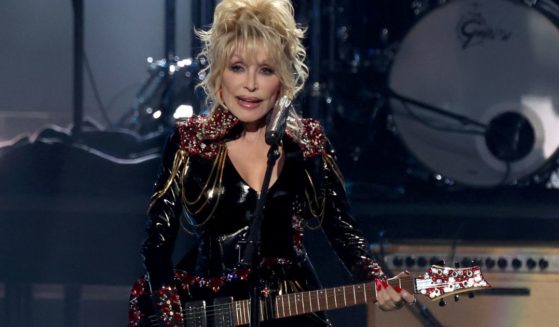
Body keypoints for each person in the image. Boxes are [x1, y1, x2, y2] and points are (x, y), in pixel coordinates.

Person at [130, 0, 415, 326]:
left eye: (265, 70)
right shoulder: (191, 141)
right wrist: (167, 306)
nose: (250, 84)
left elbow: (343, 231)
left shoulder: (308, 142)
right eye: (238, 67)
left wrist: (375, 278)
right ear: (219, 72)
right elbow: (157, 239)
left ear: (282, 78)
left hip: (292, 308)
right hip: (209, 308)